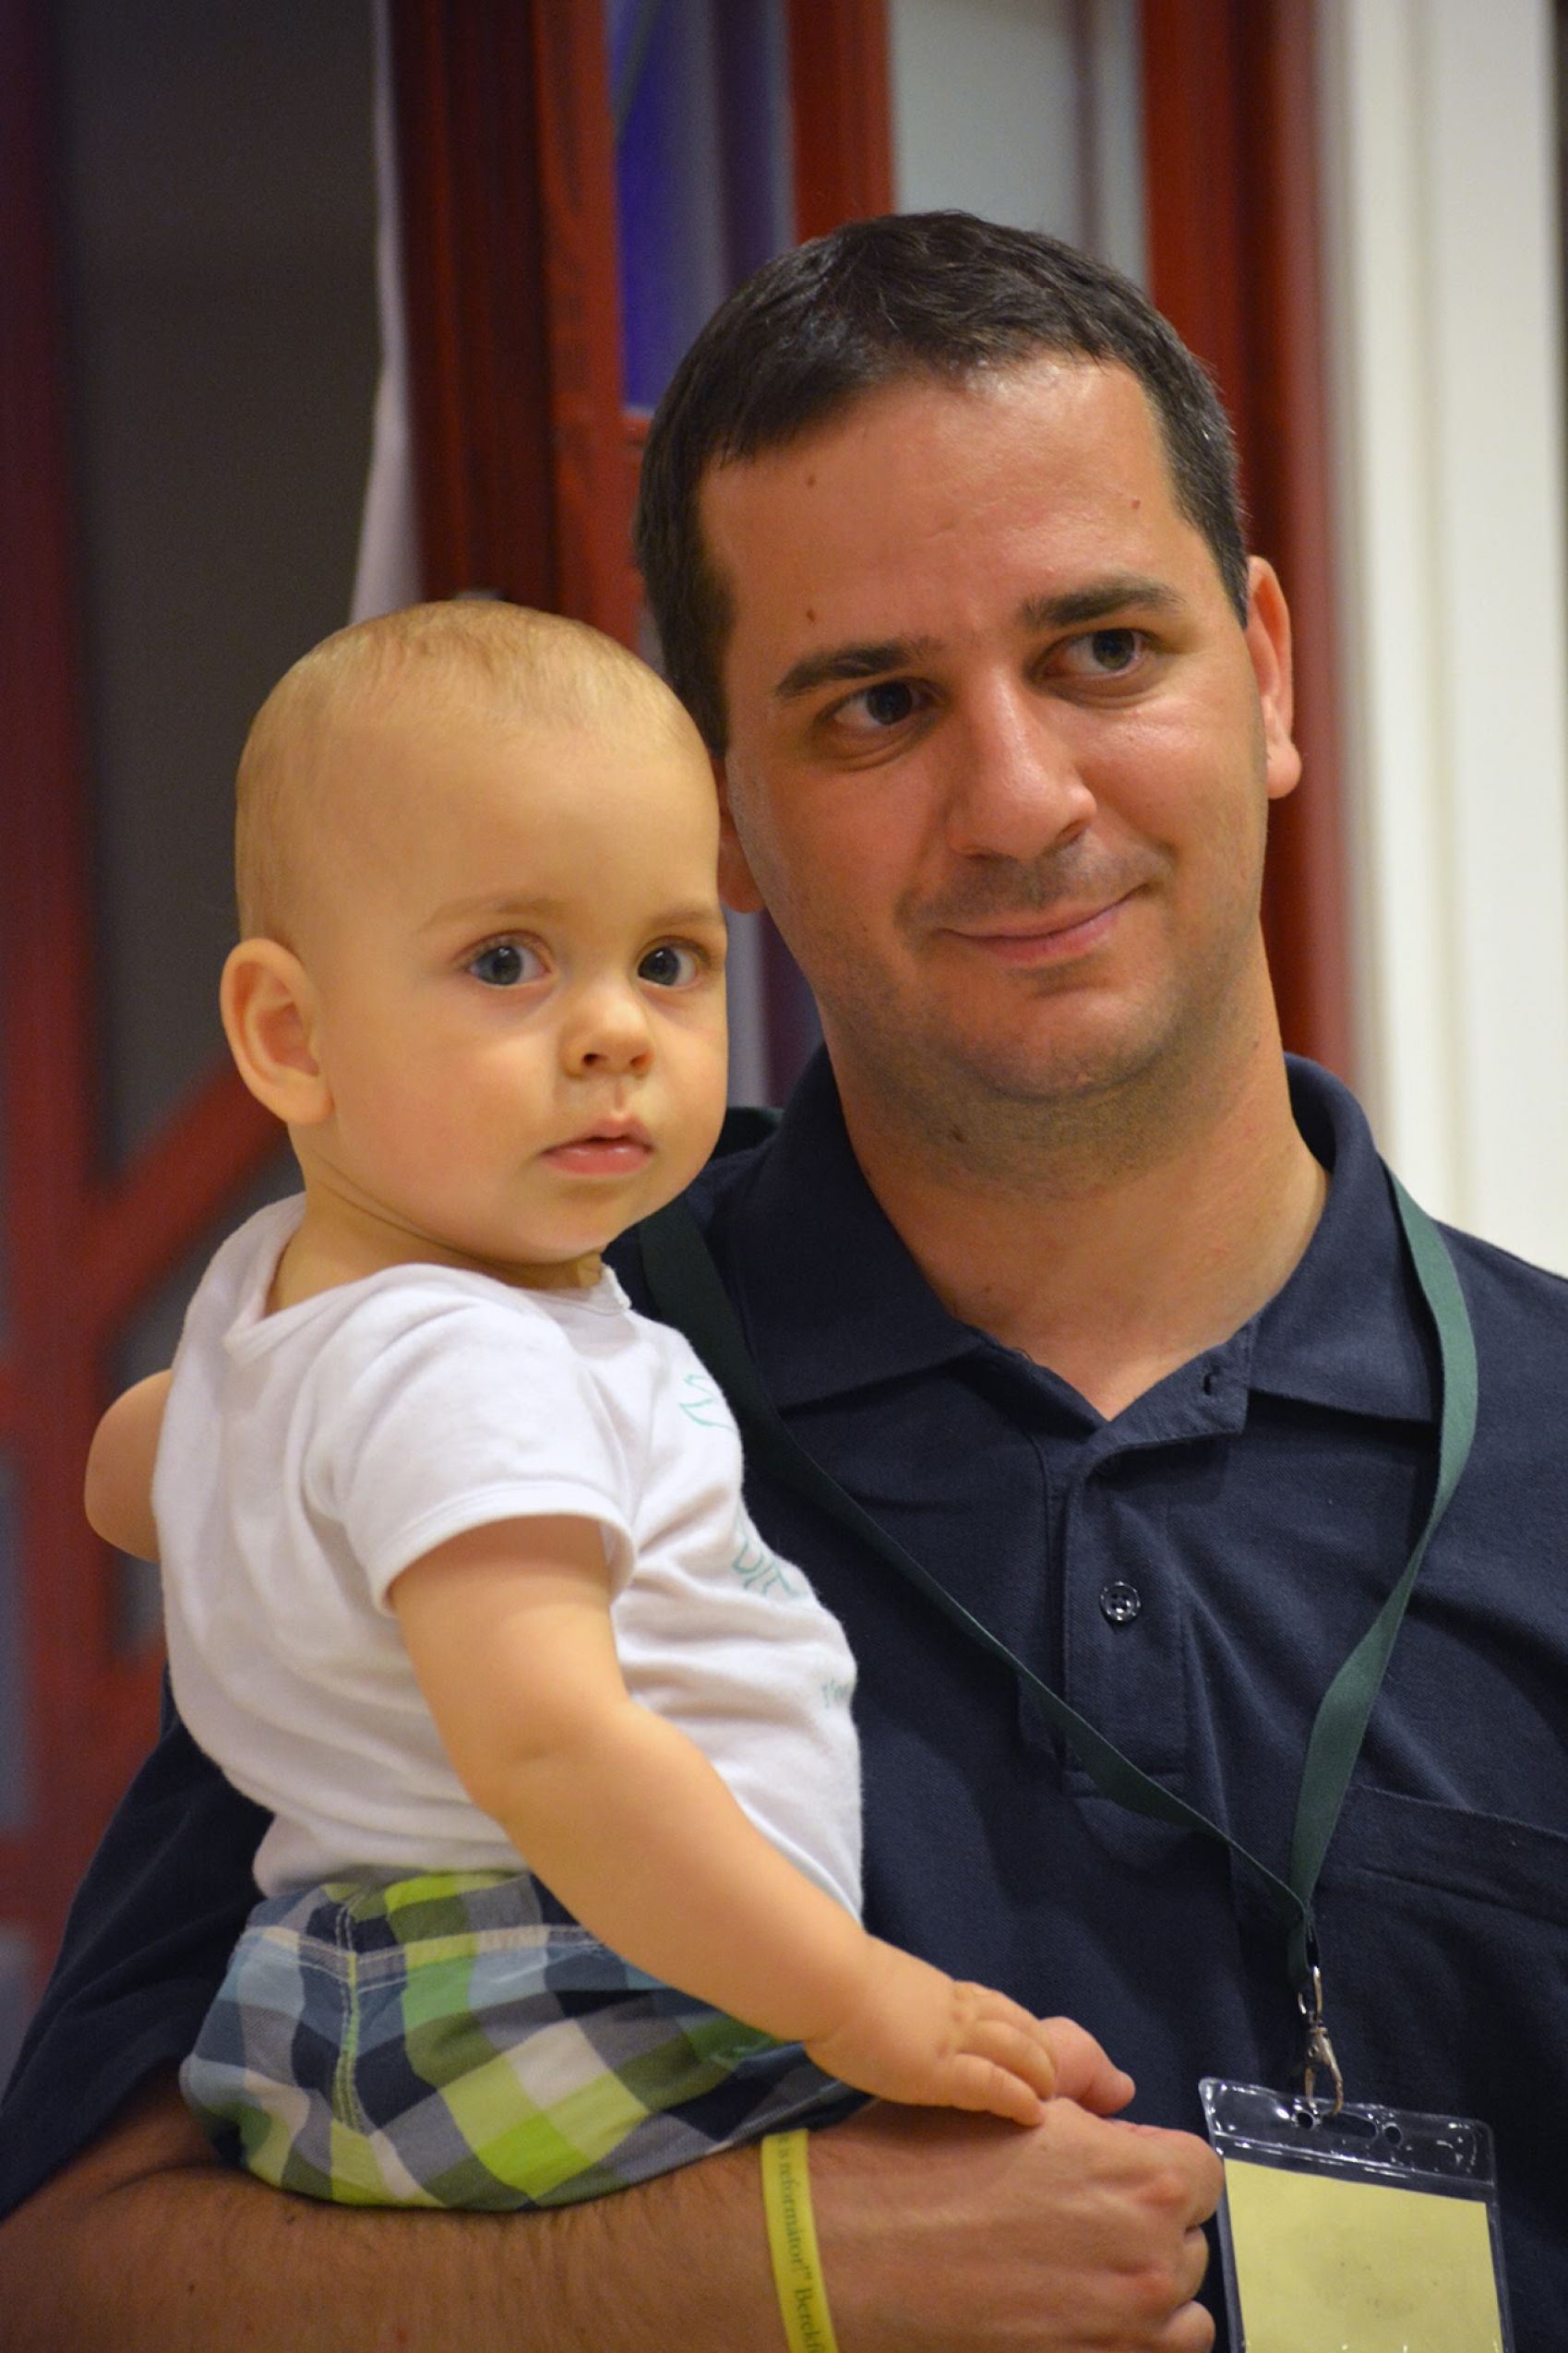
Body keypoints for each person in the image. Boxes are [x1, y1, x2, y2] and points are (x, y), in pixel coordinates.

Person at [4, 210, 1564, 2351]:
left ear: (1268, 675)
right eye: (878, 706)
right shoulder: (493, 1379)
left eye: (1105, 652)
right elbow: (68, 2278)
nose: (1016, 797)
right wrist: (748, 2275)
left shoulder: (1547, 1448)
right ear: (724, 809)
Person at [78, 597, 1108, 2211]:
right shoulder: (473, 1363)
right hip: (540, 1975)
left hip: (358, 1988)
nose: (618, 1030)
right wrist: (852, 1993)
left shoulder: (274, 1304)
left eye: (668, 960)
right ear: (291, 1034)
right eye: (507, 961)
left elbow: (123, 1473)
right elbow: (553, 1746)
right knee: (1014, 2188)